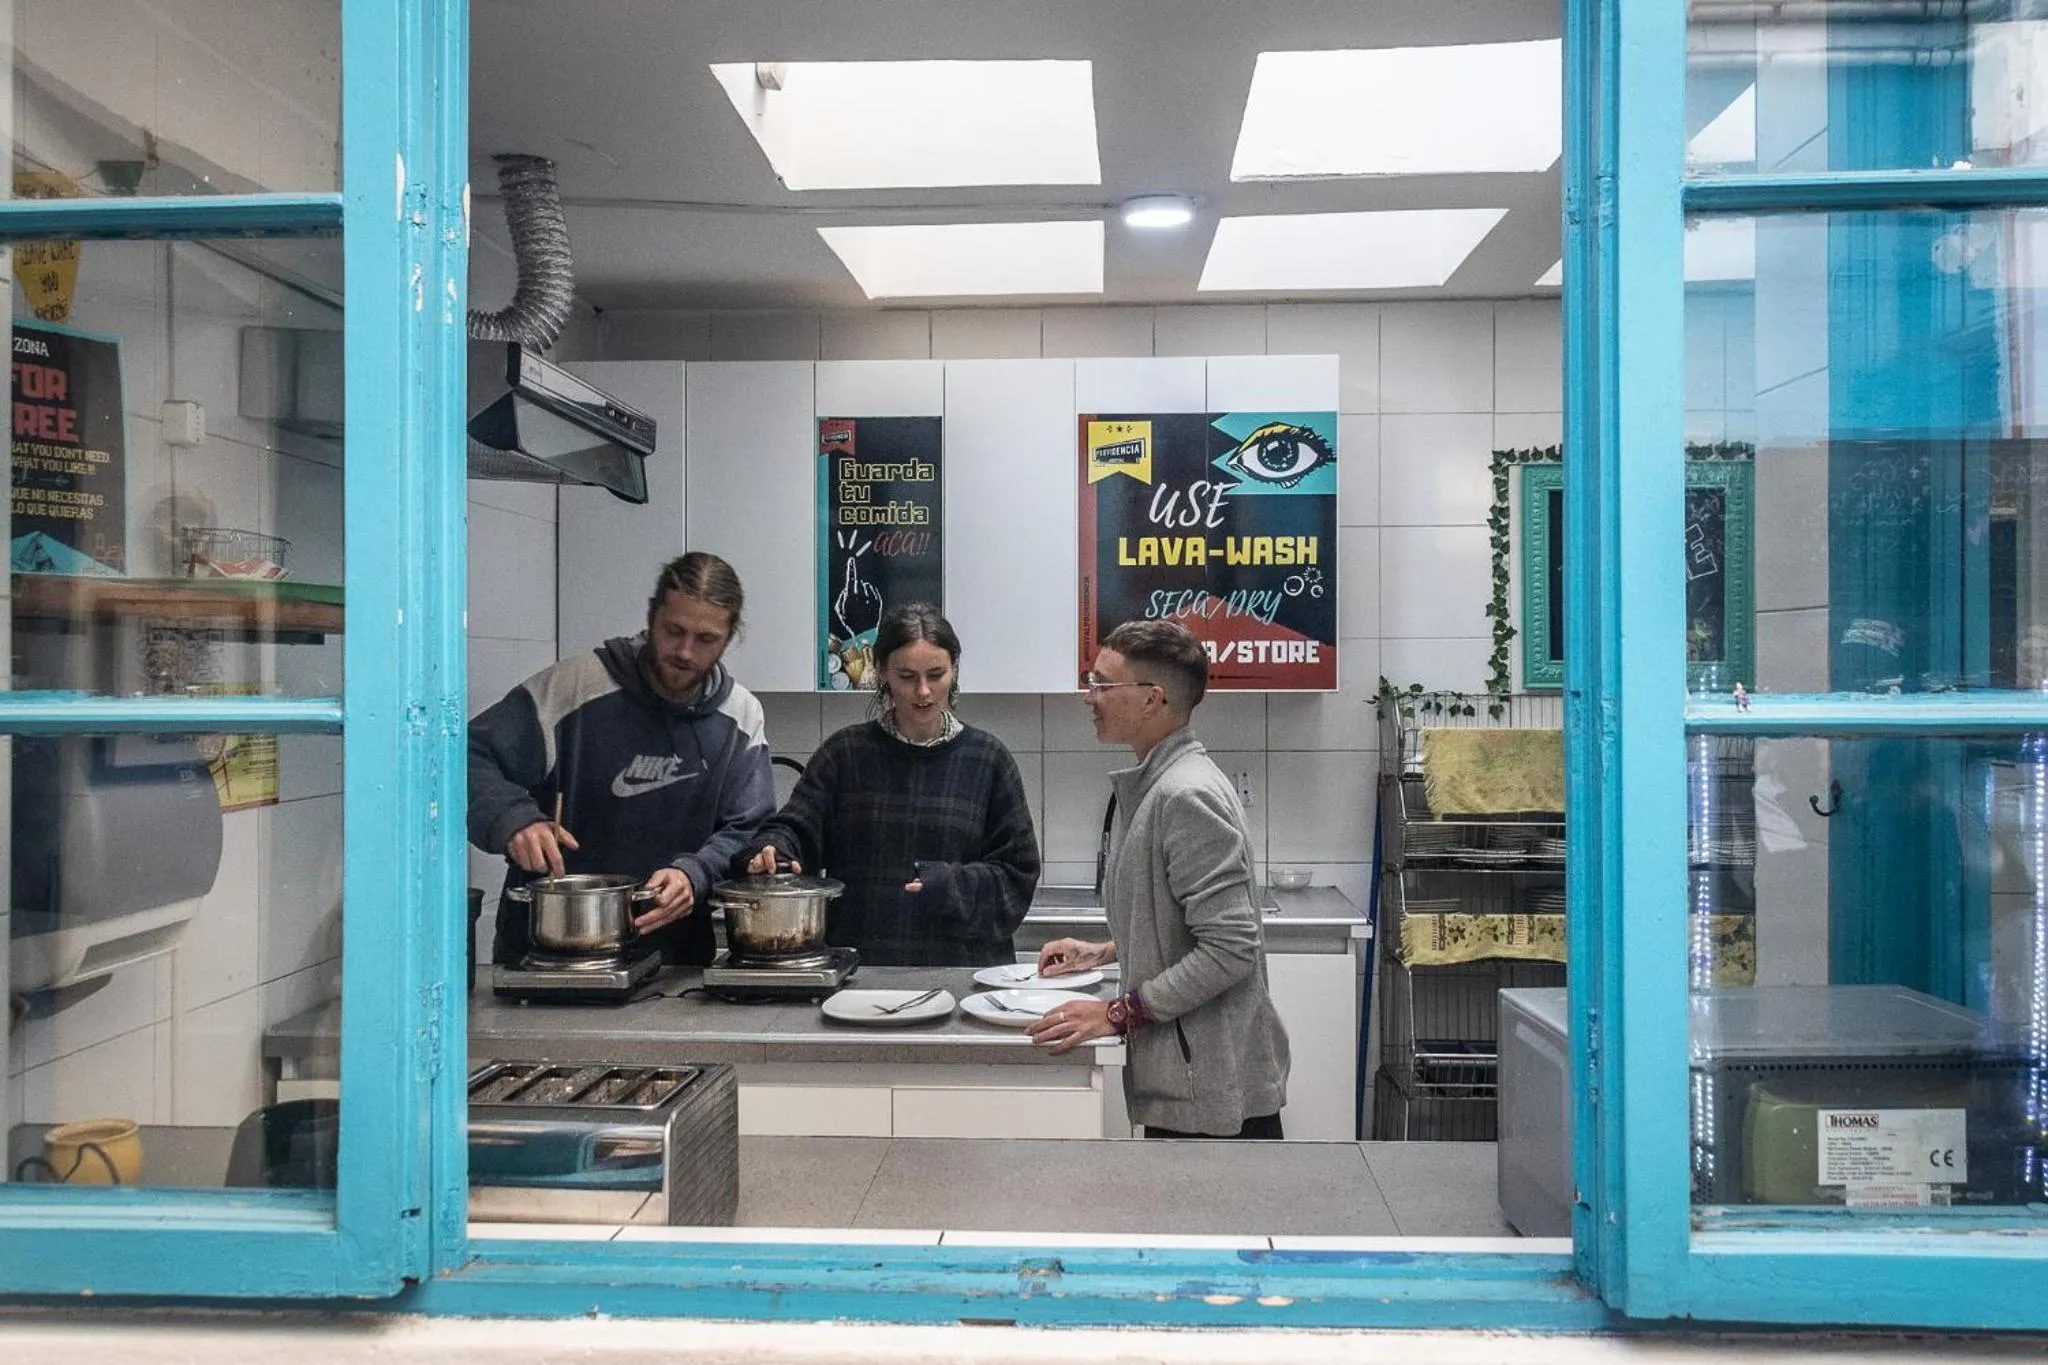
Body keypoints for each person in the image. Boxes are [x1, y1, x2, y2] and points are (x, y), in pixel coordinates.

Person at [1029, 619, 1290, 1139]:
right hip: (1193, 1078)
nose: (1090, 696)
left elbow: (1232, 948)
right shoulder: (1163, 784)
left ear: (1152, 699)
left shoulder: (1184, 795)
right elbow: (1182, 925)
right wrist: (1105, 951)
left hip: (1210, 1087)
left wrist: (1122, 1011)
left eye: (1103, 683)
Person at [469, 551, 773, 967]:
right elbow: (465, 755)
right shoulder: (574, 687)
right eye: (673, 631)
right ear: (652, 616)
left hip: (673, 964)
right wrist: (512, 817)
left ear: (730, 636)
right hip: (548, 951)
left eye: (706, 640)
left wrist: (695, 873)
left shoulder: (740, 716)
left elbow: (749, 828)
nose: (685, 652)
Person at [736, 604, 1039, 966]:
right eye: (907, 676)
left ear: (954, 670)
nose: (923, 691)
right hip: (862, 973)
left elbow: (1017, 876)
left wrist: (951, 885)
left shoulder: (988, 760)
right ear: (881, 672)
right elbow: (796, 830)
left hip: (962, 972)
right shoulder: (844, 754)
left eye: (936, 674)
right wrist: (775, 848)